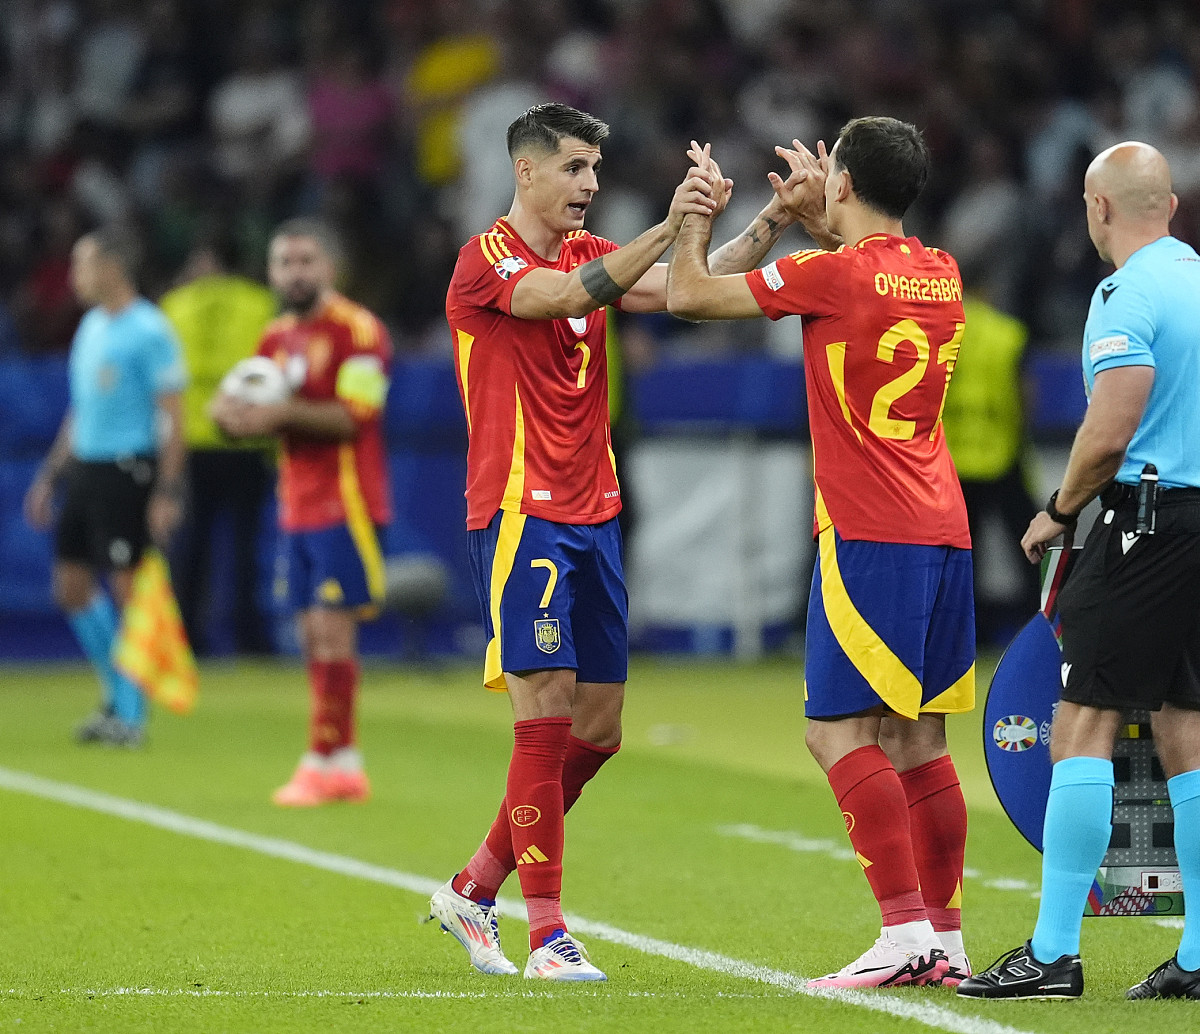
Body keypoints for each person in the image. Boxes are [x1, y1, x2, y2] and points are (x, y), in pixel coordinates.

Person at [427, 102, 829, 983]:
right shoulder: (487, 258)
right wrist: (671, 221)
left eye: (594, 169)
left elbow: (702, 284)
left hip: (595, 514)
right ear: (525, 171)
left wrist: (764, 220)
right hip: (520, 512)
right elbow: (568, 298)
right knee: (544, 710)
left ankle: (473, 887)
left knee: (597, 731)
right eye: (574, 168)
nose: (590, 185)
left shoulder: (586, 252)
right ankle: (548, 935)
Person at [956, 142, 1200, 1002]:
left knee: (1083, 721)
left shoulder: (1125, 294)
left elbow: (1108, 430)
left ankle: (1054, 953)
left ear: (1100, 209)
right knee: (1188, 727)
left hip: (1144, 519)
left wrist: (1059, 510)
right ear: (1168, 205)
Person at [667, 117, 974, 989]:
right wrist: (818, 213)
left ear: (841, 181)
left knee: (835, 732)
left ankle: (900, 932)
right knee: (920, 740)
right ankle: (944, 941)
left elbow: (690, 295)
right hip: (942, 523)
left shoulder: (828, 275)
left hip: (870, 528)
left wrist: (700, 214)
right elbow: (859, 272)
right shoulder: (942, 272)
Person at [211, 219, 392, 806]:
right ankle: (346, 762)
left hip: (348, 503)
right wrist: (228, 418)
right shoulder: (274, 337)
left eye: (306, 260)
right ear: (271, 272)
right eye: (284, 262)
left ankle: (320, 757)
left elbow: (354, 416)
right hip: (297, 505)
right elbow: (249, 407)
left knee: (333, 629)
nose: (295, 272)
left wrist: (277, 415)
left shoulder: (359, 331)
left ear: (329, 267)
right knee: (312, 633)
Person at [23, 225, 188, 747]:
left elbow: (173, 417)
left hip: (127, 469)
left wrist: (167, 490)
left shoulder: (150, 329)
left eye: (83, 263)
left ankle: (131, 714)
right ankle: (116, 697)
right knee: (71, 587)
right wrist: (50, 476)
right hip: (87, 469)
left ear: (113, 267)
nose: (75, 275)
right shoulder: (91, 327)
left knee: (126, 587)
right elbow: (81, 410)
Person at [161, 235, 277, 655]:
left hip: (194, 439)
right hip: (248, 438)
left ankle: (188, 637)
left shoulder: (175, 306)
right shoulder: (260, 303)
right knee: (247, 548)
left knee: (193, 548)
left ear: (202, 258)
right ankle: (250, 638)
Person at [939, 290, 1037, 644]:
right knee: (1029, 546)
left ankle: (964, 634)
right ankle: (1038, 624)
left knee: (964, 555)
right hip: (1002, 453)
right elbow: (1026, 394)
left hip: (953, 457)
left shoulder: (943, 328)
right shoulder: (1008, 332)